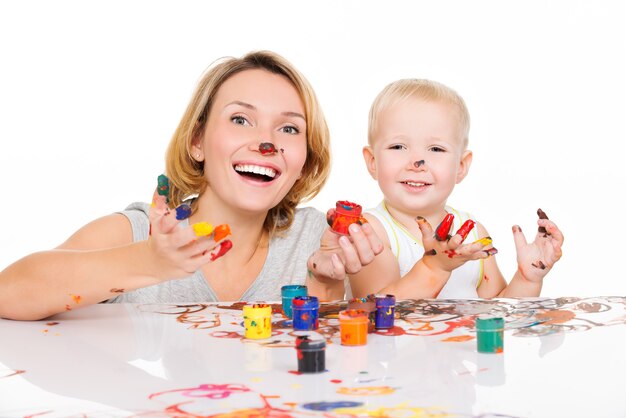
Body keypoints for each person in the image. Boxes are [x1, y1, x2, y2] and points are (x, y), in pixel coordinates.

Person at [0, 51, 382, 321]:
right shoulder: (138, 231)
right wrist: (150, 260)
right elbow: (9, 293)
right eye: (240, 120)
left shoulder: (324, 239)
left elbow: (370, 359)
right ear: (197, 141)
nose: (266, 143)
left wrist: (326, 284)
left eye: (288, 128)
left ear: (304, 162)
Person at [348, 79, 564, 299]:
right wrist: (437, 267)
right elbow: (375, 316)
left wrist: (527, 278)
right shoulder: (366, 233)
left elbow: (497, 313)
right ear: (372, 161)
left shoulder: (472, 233)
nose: (416, 162)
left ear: (461, 166)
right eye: (398, 146)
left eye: (436, 148)